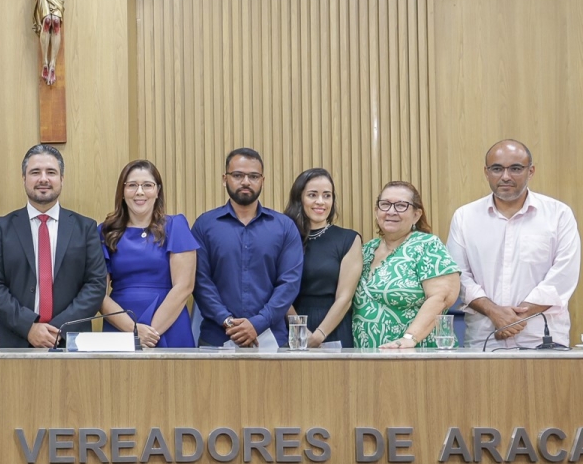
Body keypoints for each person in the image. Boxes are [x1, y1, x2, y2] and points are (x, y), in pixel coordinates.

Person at [446, 139, 581, 349]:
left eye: (516, 168)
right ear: (486, 172)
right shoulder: (465, 217)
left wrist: (514, 318)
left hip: (541, 338)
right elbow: (458, 276)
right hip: (484, 338)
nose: (506, 176)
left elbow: (563, 275)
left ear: (531, 171)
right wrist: (494, 312)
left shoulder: (558, 215)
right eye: (497, 169)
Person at [0, 144, 108, 348]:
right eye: (35, 172)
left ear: (62, 179)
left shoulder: (85, 228)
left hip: (69, 341)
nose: (43, 179)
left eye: (51, 172)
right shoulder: (0, 228)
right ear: (24, 179)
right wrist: (29, 327)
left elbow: (95, 285)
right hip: (15, 341)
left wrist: (57, 328)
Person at [192, 148, 304, 348]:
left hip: (272, 340)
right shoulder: (205, 225)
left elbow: (289, 284)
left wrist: (257, 323)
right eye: (238, 175)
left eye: (253, 176)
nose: (245, 181)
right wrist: (228, 322)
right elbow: (201, 282)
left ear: (263, 180)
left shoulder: (284, 227)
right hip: (217, 338)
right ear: (225, 179)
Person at [97, 160, 198, 349]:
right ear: (123, 191)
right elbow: (98, 293)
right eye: (132, 185)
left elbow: (184, 286)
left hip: (169, 322)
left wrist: (151, 333)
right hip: (121, 324)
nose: (140, 192)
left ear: (157, 190)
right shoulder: (104, 232)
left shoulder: (176, 226)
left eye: (147, 185)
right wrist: (134, 331)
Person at [353, 181, 460, 349]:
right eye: (385, 204)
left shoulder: (427, 245)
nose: (391, 211)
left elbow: (443, 297)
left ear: (416, 215)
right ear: (376, 211)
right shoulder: (364, 251)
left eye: (401, 205)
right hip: (367, 357)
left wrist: (410, 338)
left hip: (417, 355)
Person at [283, 168, 362, 348]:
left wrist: (318, 336)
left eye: (327, 195)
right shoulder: (284, 237)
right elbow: (279, 289)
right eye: (312, 195)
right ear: (299, 198)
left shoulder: (348, 239)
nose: (320, 201)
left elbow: (345, 297)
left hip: (334, 325)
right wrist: (299, 328)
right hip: (291, 326)